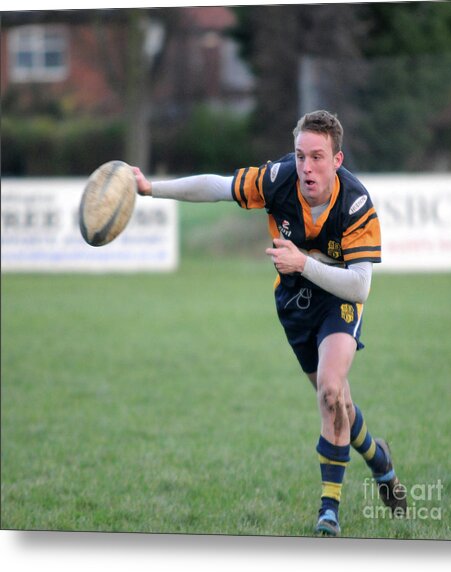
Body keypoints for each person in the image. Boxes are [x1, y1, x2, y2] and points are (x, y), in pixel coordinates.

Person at [133, 110, 407, 536]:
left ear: (337, 160)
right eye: (300, 155)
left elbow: (359, 288)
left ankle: (328, 511)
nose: (307, 167)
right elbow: (217, 187)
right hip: (294, 304)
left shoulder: (355, 203)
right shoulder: (278, 179)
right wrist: (152, 189)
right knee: (338, 403)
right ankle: (379, 460)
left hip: (339, 297)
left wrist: (303, 262)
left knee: (331, 389)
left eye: (317, 157)